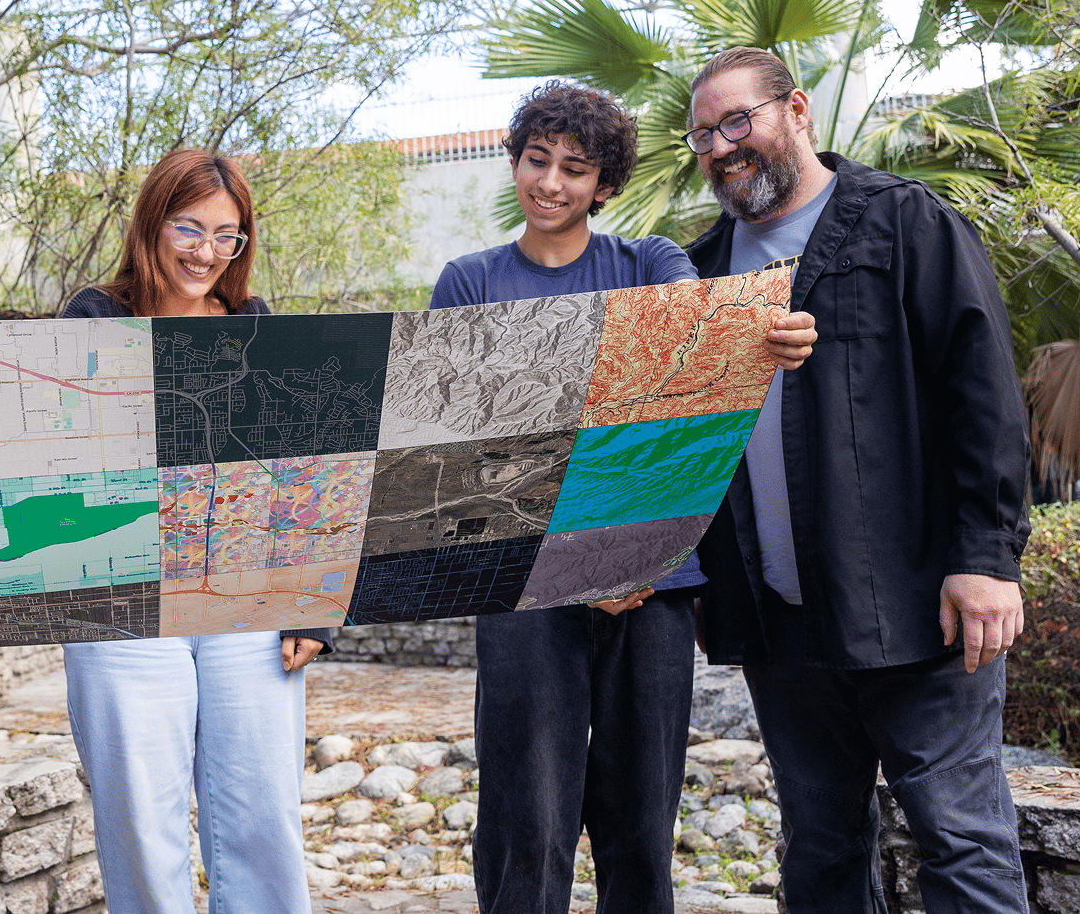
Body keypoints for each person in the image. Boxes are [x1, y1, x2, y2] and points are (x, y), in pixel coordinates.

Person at [434, 81, 817, 914]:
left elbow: (692, 381)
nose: (551, 183)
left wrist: (771, 334)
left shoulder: (649, 263)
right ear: (513, 163)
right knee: (523, 825)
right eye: (537, 161)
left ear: (603, 184)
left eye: (575, 169)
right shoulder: (465, 284)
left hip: (654, 587)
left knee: (640, 829)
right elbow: (460, 458)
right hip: (523, 592)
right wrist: (575, 561)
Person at [683, 46, 1032, 914]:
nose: (720, 146)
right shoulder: (696, 269)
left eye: (737, 120)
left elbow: (982, 392)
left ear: (795, 110)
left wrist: (986, 557)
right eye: (701, 135)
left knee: (960, 840)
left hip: (920, 606)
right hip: (780, 623)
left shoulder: (902, 221)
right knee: (821, 846)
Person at [58, 147, 331, 914]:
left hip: (247, 595)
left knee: (262, 811)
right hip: (124, 597)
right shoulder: (94, 316)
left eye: (228, 236)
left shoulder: (255, 323)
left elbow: (300, 472)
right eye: (190, 228)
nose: (207, 253)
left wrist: (310, 603)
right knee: (141, 817)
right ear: (153, 222)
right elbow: (64, 464)